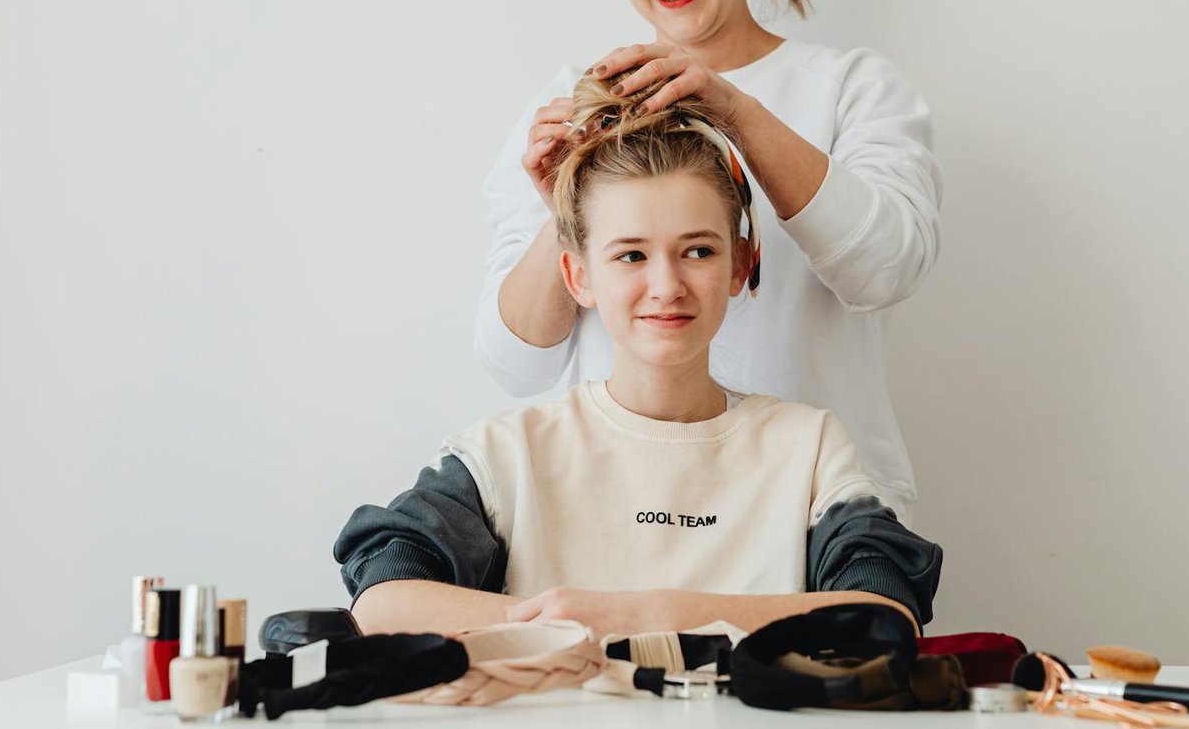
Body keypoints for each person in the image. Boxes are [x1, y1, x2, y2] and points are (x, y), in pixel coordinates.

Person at [476, 0, 943, 517]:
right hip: (628, 513)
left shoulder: (852, 87)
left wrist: (734, 108)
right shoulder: (573, 99)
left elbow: (885, 269)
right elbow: (515, 363)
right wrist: (558, 211)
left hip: (822, 515)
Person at [336, 79, 941, 639]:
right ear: (578, 276)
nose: (666, 285)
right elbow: (383, 602)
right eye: (630, 256)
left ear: (740, 264)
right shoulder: (509, 454)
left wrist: (649, 613)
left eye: (698, 251)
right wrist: (575, 625)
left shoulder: (808, 447)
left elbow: (883, 617)